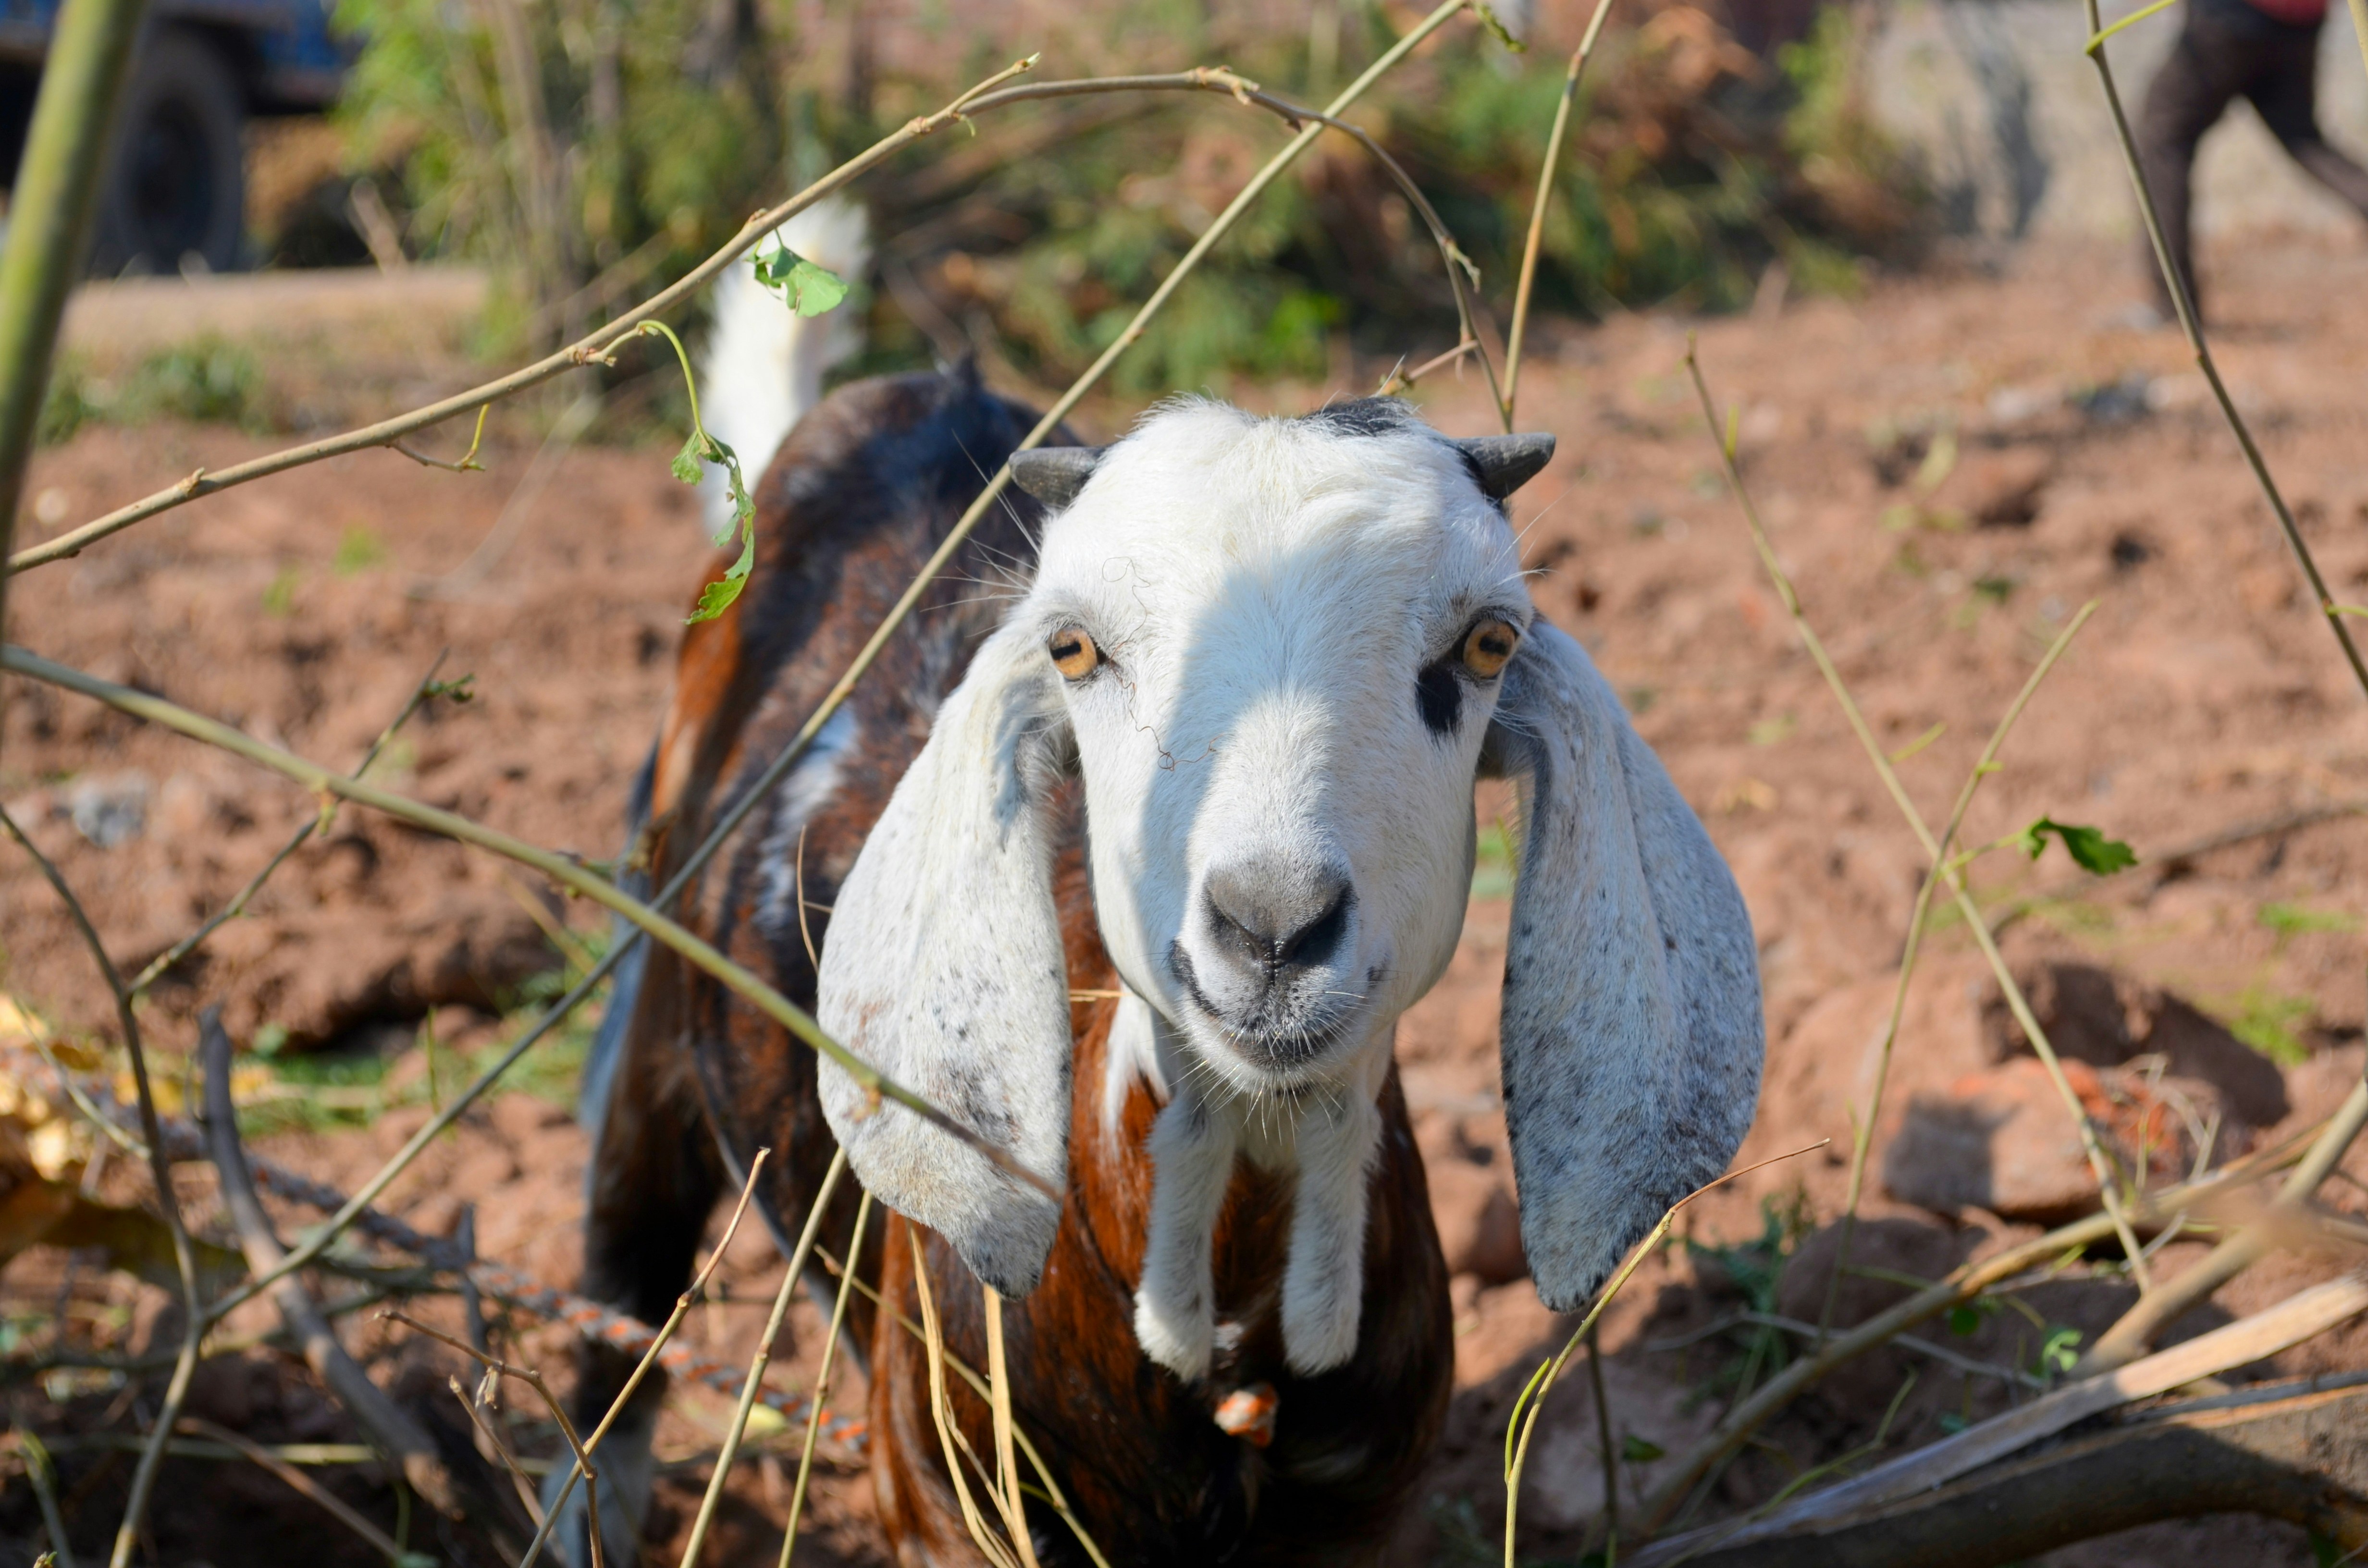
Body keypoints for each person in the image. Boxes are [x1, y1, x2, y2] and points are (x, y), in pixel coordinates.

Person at [2134, 0, 2368, 323]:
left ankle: (2174, 307)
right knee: (2304, 139)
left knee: (2163, 140)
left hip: (2230, 15)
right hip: (2300, 20)